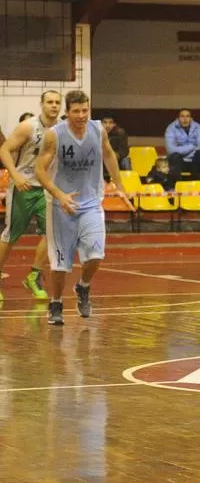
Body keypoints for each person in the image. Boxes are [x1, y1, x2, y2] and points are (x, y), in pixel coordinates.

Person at [34, 90, 132, 325]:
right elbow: (39, 170)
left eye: (85, 110)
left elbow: (108, 154)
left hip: (91, 203)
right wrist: (59, 194)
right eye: (76, 111)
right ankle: (56, 303)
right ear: (66, 113)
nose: (81, 115)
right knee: (60, 264)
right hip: (60, 206)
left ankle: (83, 287)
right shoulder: (54, 135)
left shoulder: (98, 130)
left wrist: (119, 185)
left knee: (96, 256)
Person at [0, 91, 62, 301]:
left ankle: (34, 275)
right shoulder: (29, 126)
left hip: (47, 188)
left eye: (57, 102)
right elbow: (5, 150)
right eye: (50, 102)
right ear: (41, 104)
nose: (54, 106)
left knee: (52, 235)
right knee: (11, 236)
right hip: (24, 186)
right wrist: (15, 175)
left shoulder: (63, 129)